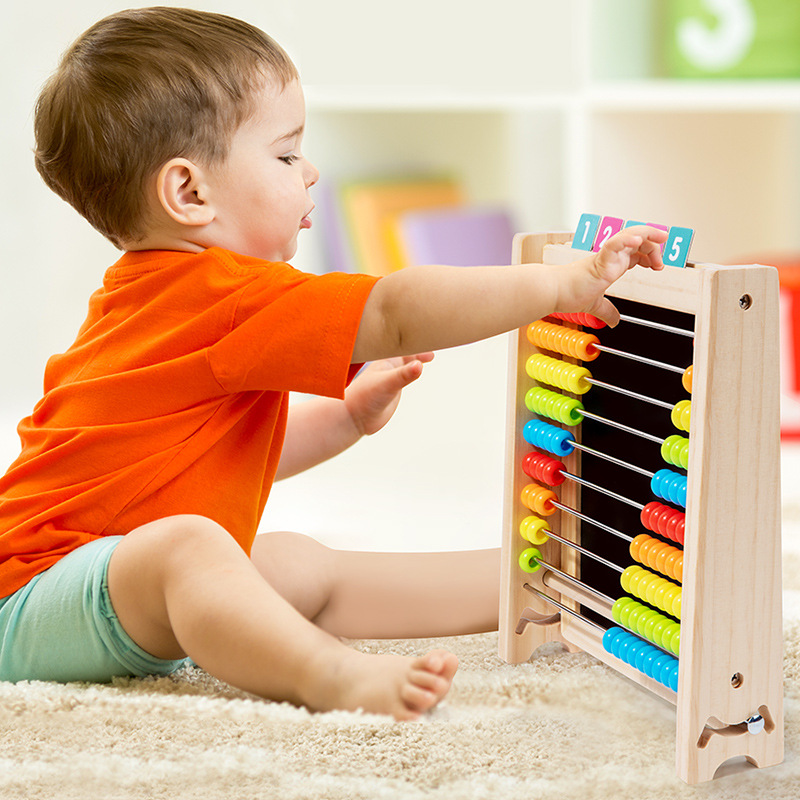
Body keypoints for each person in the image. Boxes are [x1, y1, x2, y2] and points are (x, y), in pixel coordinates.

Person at [0, 7, 666, 720]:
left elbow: (200, 460)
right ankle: (331, 677)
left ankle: (531, 586)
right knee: (191, 547)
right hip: (32, 595)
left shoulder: (161, 298)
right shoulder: (216, 296)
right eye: (286, 155)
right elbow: (394, 309)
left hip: (106, 583)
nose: (311, 171)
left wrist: (342, 419)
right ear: (189, 193)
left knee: (291, 563)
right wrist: (560, 286)